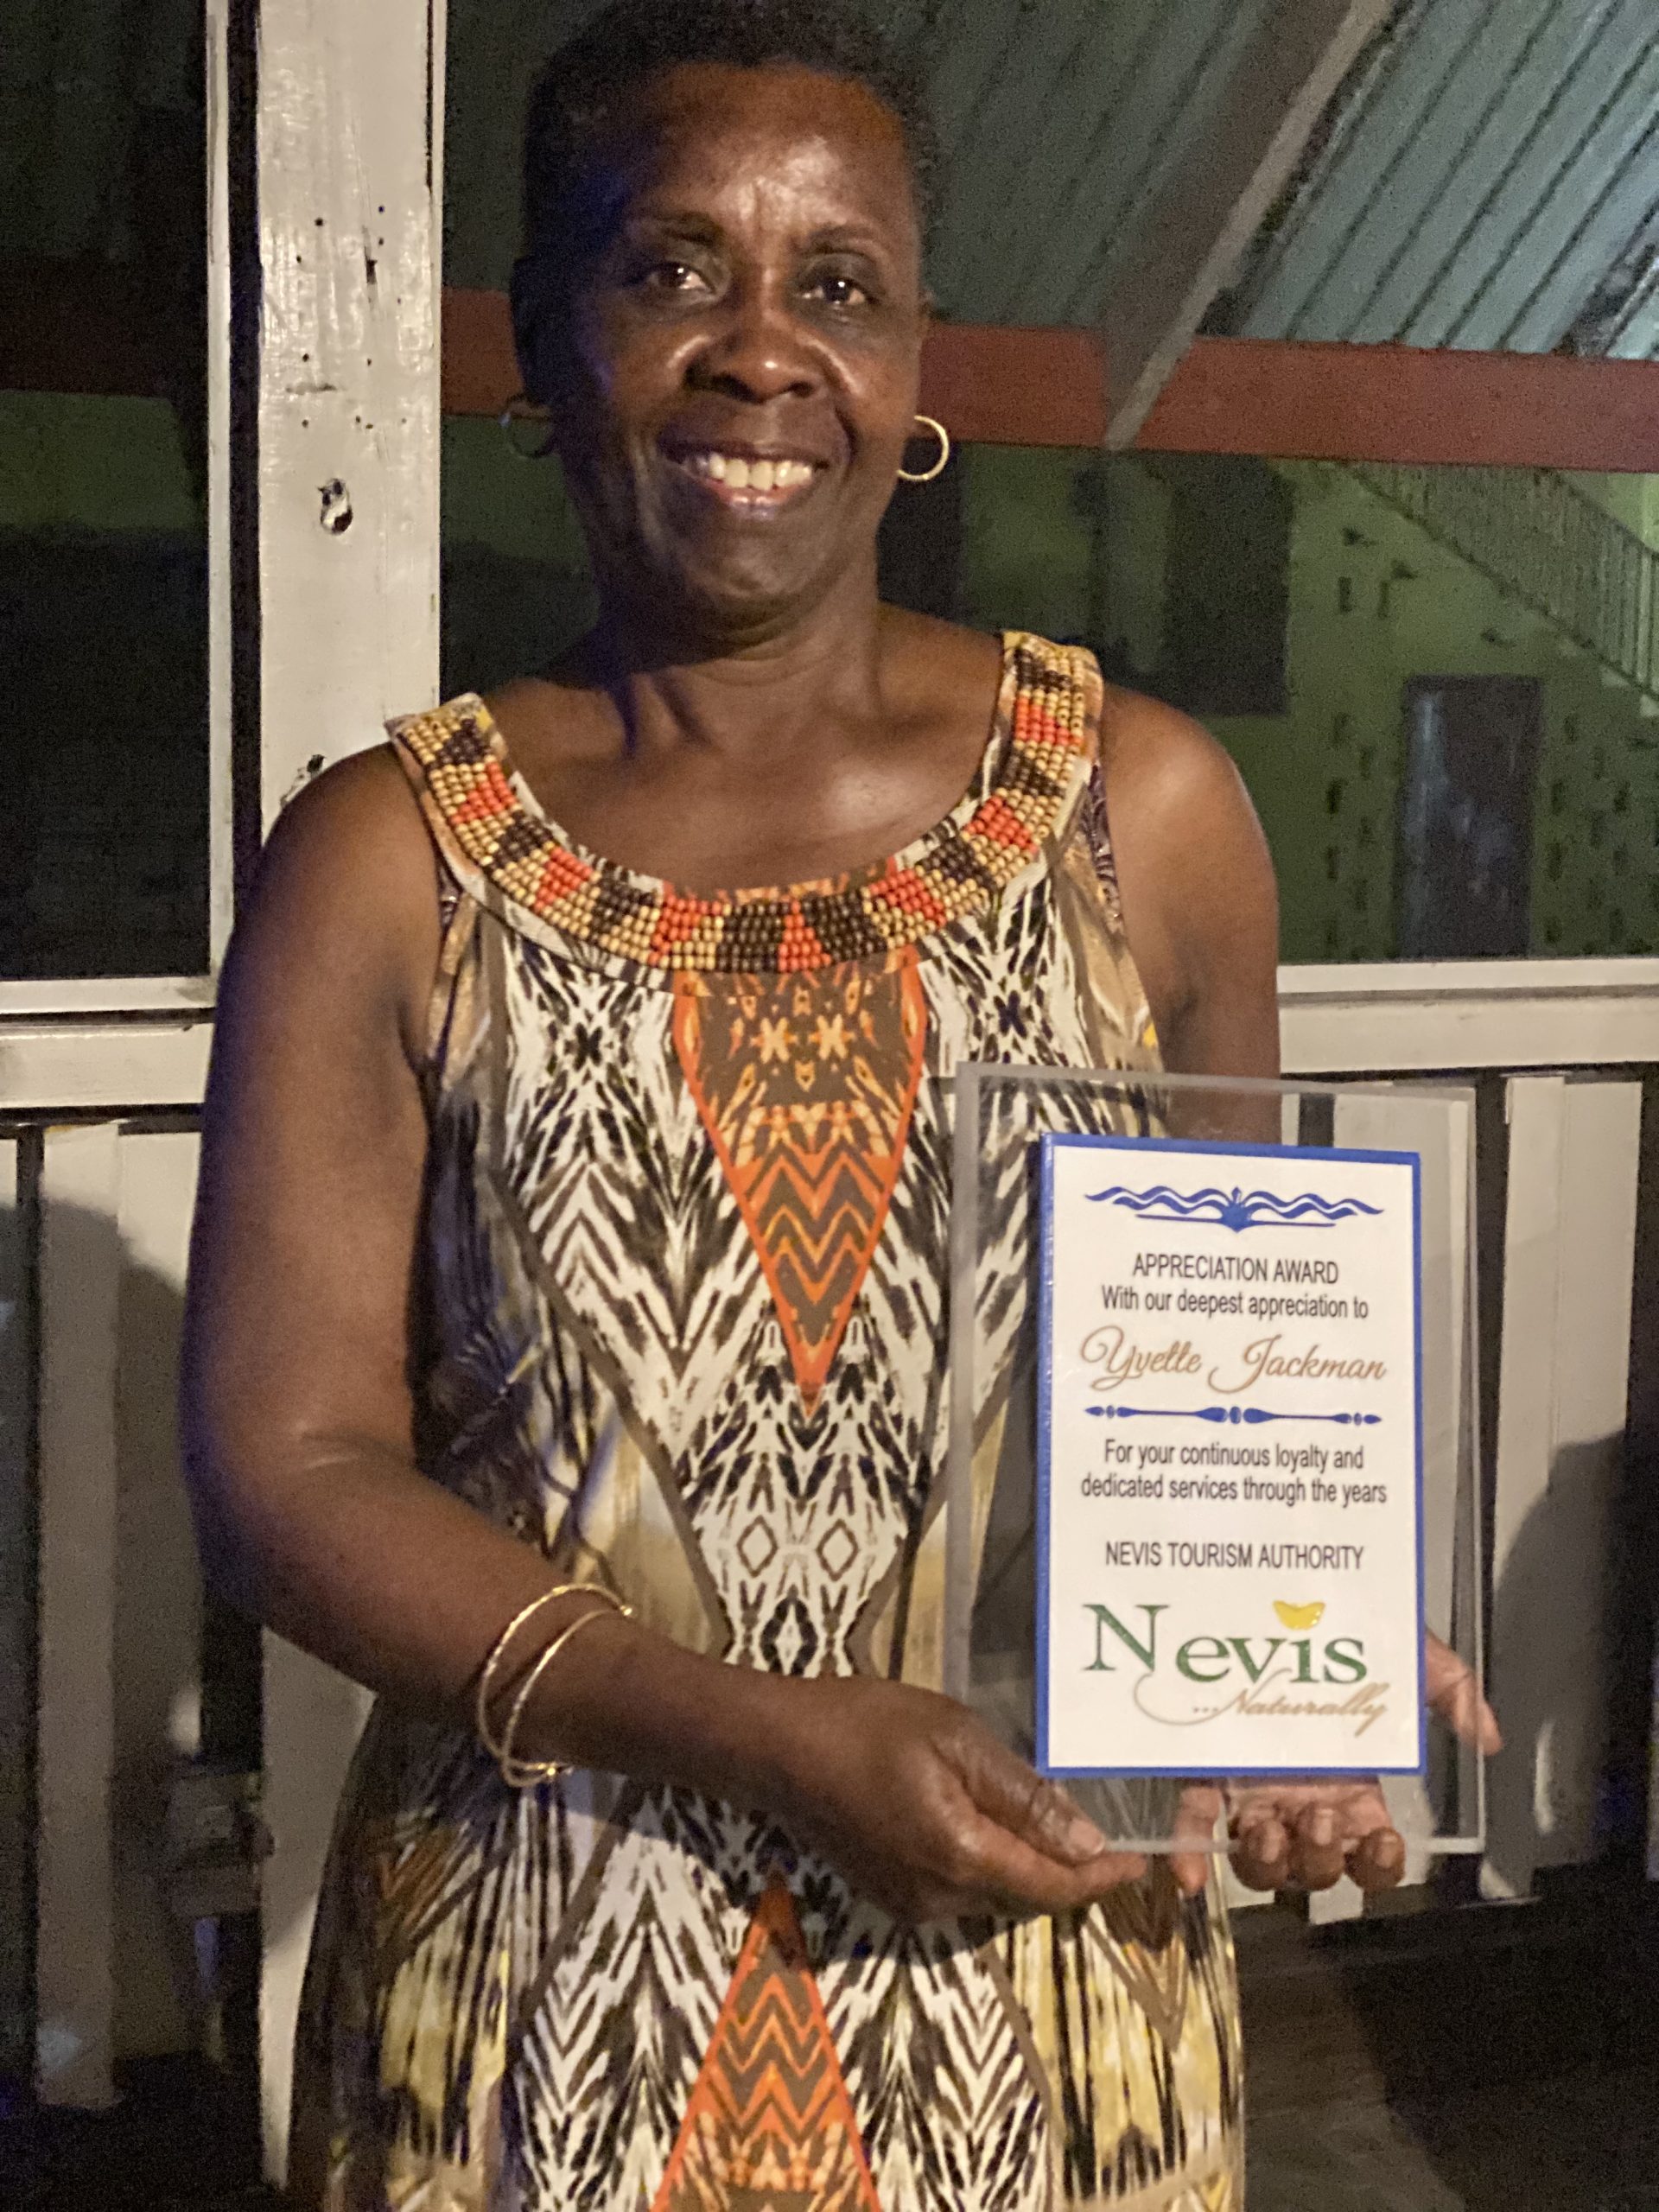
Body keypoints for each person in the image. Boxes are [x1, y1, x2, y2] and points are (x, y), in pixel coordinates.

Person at [182, 5, 1491, 2206]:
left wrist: (1296, 1655)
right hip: (541, 1996)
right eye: (672, 268)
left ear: (916, 373)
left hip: (1043, 1989)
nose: (760, 349)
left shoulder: (1139, 811)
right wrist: (770, 1733)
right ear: (540, 344)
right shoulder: (387, 854)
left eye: (838, 282)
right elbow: (285, 1468)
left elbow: (1229, 1394)